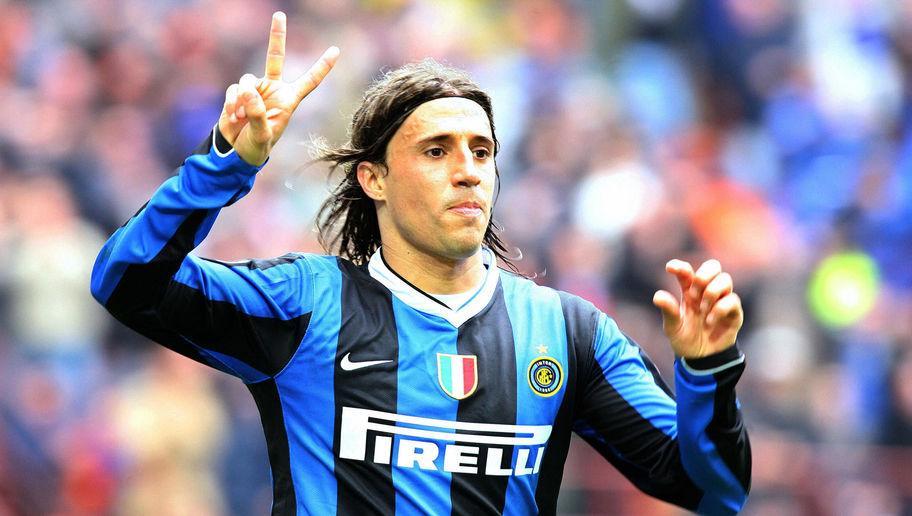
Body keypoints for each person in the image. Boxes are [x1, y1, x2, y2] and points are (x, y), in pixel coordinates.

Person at [91, 11, 750, 516]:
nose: (467, 171)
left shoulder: (569, 333)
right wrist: (225, 163)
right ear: (375, 178)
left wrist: (707, 370)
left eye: (481, 151)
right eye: (436, 151)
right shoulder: (306, 304)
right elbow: (125, 282)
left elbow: (710, 491)